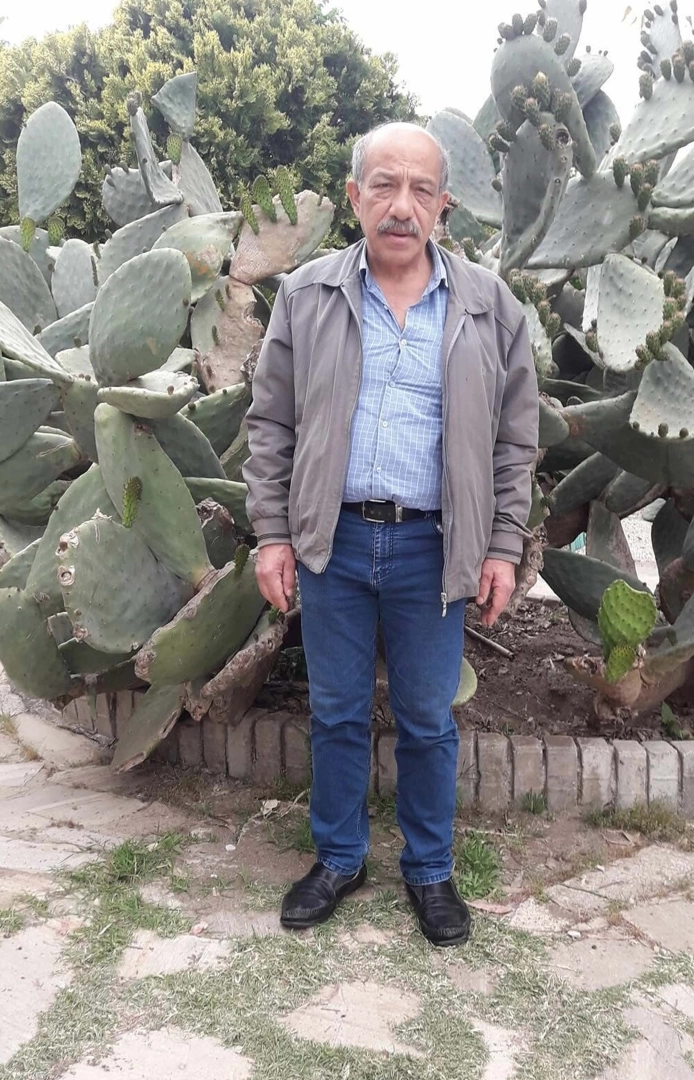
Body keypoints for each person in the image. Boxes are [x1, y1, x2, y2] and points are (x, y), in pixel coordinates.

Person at [244, 122, 539, 947]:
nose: (400, 206)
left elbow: (515, 439)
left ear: (444, 205)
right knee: (336, 712)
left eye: (420, 190)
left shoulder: (488, 306)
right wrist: (272, 535)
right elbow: (270, 424)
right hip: (333, 542)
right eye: (383, 185)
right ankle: (339, 859)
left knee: (426, 719)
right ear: (354, 197)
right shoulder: (307, 296)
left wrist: (502, 545)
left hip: (431, 547)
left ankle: (429, 869)